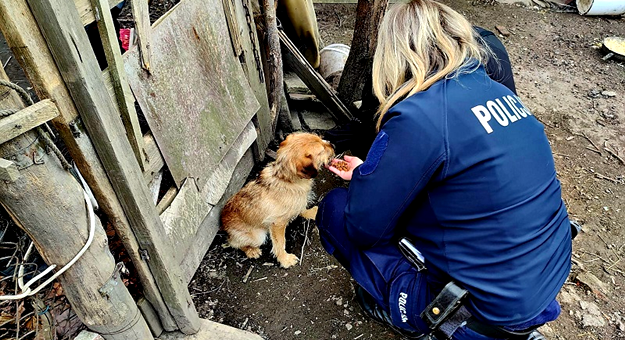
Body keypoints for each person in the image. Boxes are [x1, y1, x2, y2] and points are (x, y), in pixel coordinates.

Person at [315, 1, 572, 339]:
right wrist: (370, 170)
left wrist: (366, 182)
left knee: (335, 210)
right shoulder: (500, 93)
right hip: (544, 280)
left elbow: (364, 229)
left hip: (481, 311)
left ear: (395, 52)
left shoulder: (418, 116)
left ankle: (415, 317)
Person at [324, 25, 517, 160]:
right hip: (514, 165)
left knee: (336, 203)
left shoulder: (428, 105)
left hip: (457, 176)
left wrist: (366, 173)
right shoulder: (485, 43)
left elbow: (377, 121)